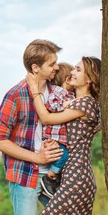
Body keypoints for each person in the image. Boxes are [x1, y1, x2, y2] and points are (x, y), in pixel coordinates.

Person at [0, 39, 65, 215]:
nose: (57, 67)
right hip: (25, 176)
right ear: (36, 67)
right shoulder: (15, 95)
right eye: (52, 64)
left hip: (54, 176)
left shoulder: (58, 93)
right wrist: (37, 158)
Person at [27, 56, 101, 215]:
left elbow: (46, 118)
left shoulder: (86, 104)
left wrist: (34, 89)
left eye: (78, 70)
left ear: (90, 79)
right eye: (74, 68)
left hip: (77, 177)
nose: (73, 72)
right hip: (71, 175)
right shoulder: (74, 101)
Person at [39, 62, 75, 198]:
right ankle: (49, 178)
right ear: (67, 79)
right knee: (63, 156)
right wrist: (65, 105)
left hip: (59, 137)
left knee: (64, 158)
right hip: (53, 137)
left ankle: (53, 178)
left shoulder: (69, 94)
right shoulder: (58, 92)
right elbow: (51, 105)